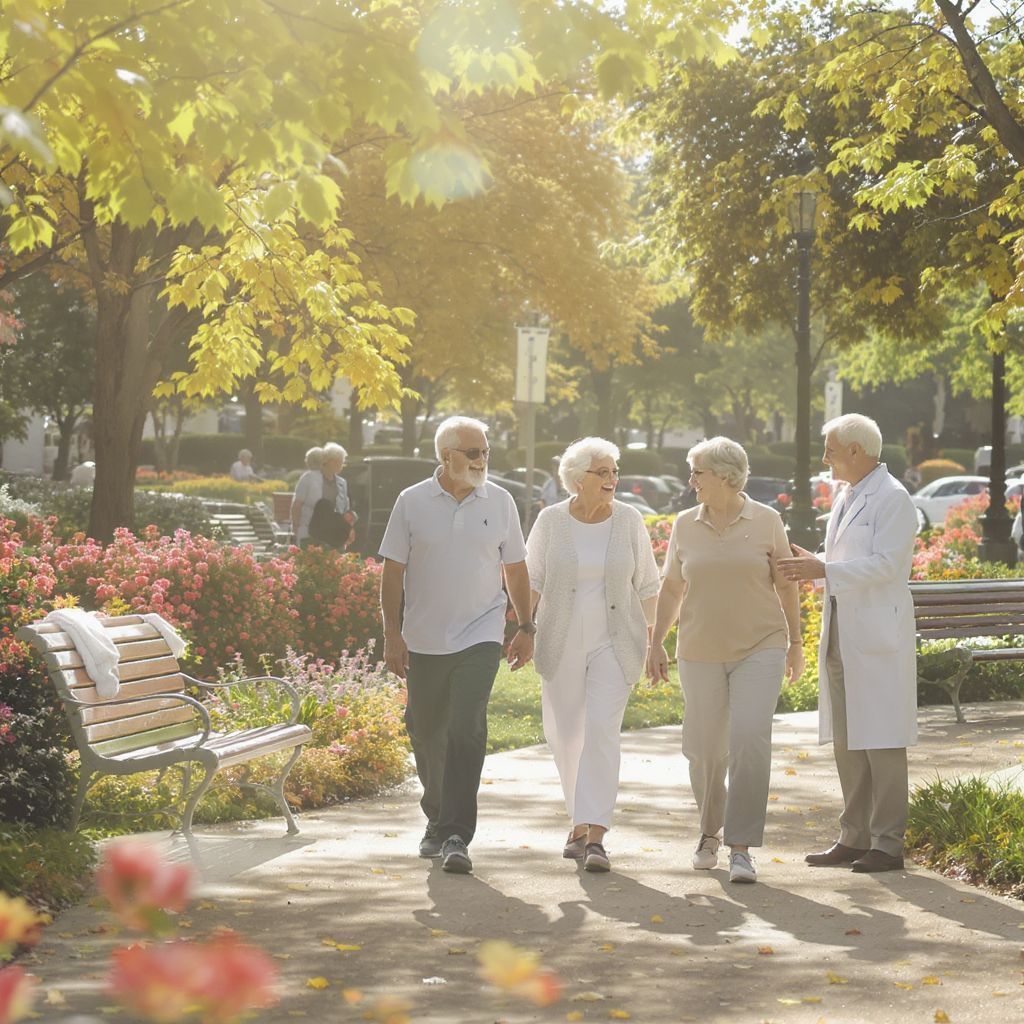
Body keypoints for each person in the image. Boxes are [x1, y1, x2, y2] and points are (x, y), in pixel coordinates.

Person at [379, 416, 535, 875]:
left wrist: (525, 626)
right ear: (446, 456)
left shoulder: (501, 500)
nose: (482, 460)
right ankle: (437, 815)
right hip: (424, 637)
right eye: (473, 452)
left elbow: (517, 570)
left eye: (485, 451)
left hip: (481, 633)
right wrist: (392, 632)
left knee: (466, 726)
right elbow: (393, 571)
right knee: (426, 732)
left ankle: (454, 834)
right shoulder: (411, 502)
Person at [647, 437, 803, 885]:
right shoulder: (684, 524)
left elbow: (787, 584)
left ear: (725, 476)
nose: (691, 480)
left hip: (761, 644)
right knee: (704, 751)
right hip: (699, 650)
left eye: (698, 472)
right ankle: (709, 832)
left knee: (751, 739)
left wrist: (794, 642)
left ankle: (740, 846)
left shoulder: (767, 520)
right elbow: (673, 587)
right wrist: (656, 642)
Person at [778, 413, 918, 874]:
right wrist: (815, 561)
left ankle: (888, 843)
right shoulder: (848, 495)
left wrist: (825, 571)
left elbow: (888, 566)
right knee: (848, 740)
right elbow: (848, 559)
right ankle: (854, 836)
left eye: (831, 450)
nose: (825, 459)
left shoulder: (893, 498)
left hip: (876, 635)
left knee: (881, 739)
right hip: (842, 633)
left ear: (857, 450)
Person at [525, 438, 660, 873]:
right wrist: (523, 628)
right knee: (566, 736)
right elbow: (533, 579)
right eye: (603, 472)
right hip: (561, 637)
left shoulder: (628, 520)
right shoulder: (550, 521)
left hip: (615, 640)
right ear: (577, 479)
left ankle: (595, 834)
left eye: (614, 472)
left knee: (602, 730)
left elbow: (649, 585)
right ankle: (577, 821)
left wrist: (654, 640)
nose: (612, 480)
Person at [290, 442, 353, 549]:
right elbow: (297, 504)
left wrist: (349, 528)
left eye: (341, 462)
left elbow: (345, 510)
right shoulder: (308, 478)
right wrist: (296, 526)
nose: (339, 465)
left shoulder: (342, 483)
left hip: (334, 534)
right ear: (326, 461)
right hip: (309, 531)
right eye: (336, 461)